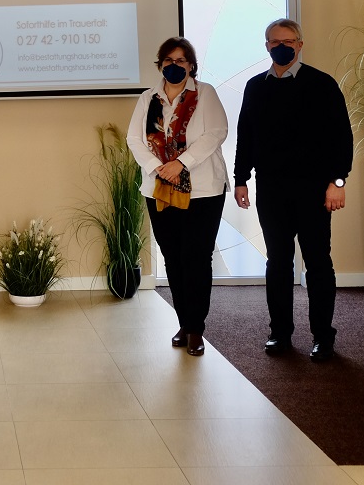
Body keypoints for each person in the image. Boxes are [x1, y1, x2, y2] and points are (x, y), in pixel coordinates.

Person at [234, 18, 352, 362]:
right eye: (274, 41)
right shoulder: (255, 87)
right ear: (266, 46)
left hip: (315, 190)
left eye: (288, 40)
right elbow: (247, 136)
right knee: (279, 262)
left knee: (317, 262)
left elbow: (341, 138)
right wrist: (241, 178)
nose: (280, 46)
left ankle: (323, 338)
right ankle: (280, 333)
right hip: (271, 188)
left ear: (300, 44)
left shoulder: (322, 84)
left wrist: (338, 181)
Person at [126, 37, 229, 357]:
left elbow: (217, 132)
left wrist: (180, 164)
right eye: (168, 61)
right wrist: (160, 168)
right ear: (160, 65)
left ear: (191, 65)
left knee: (197, 258)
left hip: (203, 190)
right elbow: (134, 138)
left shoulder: (205, 94)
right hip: (159, 188)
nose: (174, 66)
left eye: (181, 61)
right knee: (173, 257)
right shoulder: (148, 98)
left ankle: (197, 329)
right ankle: (184, 322)